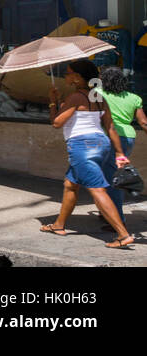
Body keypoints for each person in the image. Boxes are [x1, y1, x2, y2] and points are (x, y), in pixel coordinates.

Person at [40, 59, 134, 248]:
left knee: (97, 189)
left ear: (77, 77)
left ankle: (123, 235)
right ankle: (59, 225)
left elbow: (57, 123)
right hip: (102, 144)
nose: (65, 76)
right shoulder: (99, 97)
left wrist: (52, 102)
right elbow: (111, 127)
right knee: (70, 184)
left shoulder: (75, 97)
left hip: (82, 147)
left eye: (68, 73)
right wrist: (119, 153)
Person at [99, 66, 146, 225]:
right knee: (109, 175)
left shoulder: (99, 95)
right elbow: (144, 122)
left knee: (112, 179)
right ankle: (106, 211)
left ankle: (117, 220)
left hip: (109, 138)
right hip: (128, 138)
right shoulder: (133, 98)